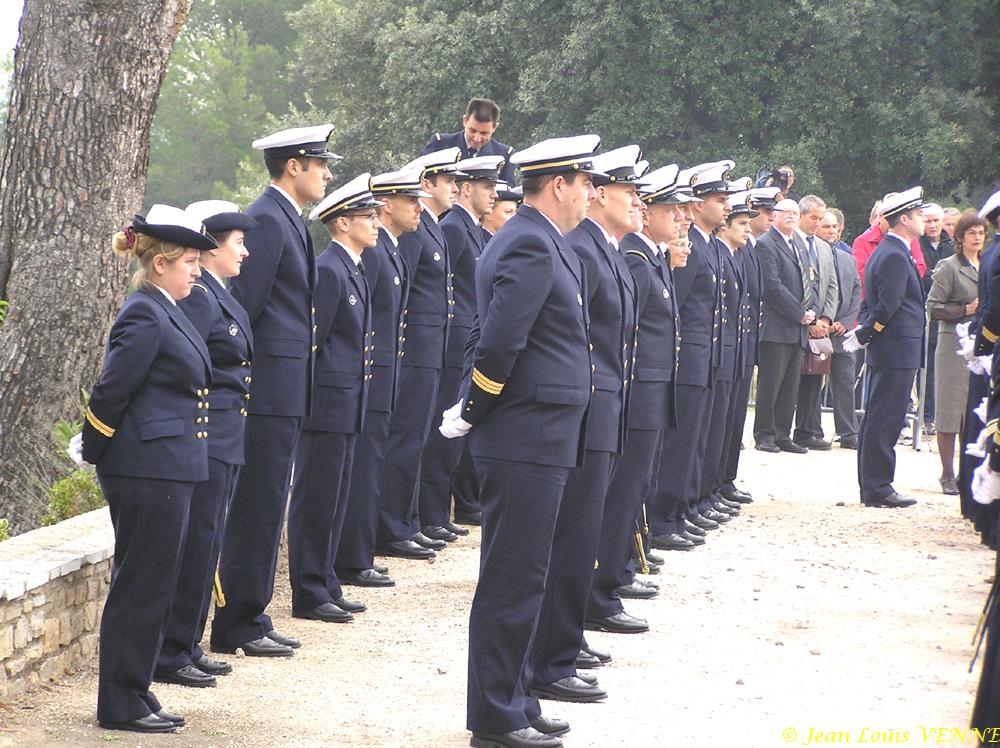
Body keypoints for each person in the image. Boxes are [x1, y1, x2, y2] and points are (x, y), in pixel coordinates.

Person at [439, 134, 601, 748]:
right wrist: (472, 409)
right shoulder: (529, 242)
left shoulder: (542, 240)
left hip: (542, 433)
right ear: (558, 185)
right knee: (512, 578)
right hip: (523, 434)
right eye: (585, 182)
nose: (591, 193)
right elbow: (498, 340)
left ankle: (518, 698)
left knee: (529, 575)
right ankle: (495, 717)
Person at [81, 205, 216, 733]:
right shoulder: (144, 312)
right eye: (190, 262)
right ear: (160, 263)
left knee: (155, 583)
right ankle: (120, 702)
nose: (197, 271)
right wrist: (93, 448)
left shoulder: (167, 308)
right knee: (140, 585)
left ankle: (135, 690)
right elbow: (112, 389)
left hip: (167, 466)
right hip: (145, 469)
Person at [211, 124, 337, 658]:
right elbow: (245, 308)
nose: (327, 174)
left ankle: (252, 613)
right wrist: (244, 383)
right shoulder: (266, 217)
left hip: (285, 389)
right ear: (293, 166)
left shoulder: (287, 218)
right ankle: (237, 621)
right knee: (256, 506)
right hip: (265, 390)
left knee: (267, 505)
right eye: (320, 165)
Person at [528, 145, 641, 712]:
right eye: (627, 192)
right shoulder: (581, 249)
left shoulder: (603, 250)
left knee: (582, 536)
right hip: (586, 410)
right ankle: (554, 656)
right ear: (597, 196)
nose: (636, 201)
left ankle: (564, 645)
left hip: (603, 411)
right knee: (571, 539)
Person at [154, 201, 256, 689]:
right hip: (207, 434)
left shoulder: (219, 294)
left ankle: (187, 643)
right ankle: (172, 648)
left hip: (226, 433)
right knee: (196, 543)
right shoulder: (198, 298)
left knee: (208, 540)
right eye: (238, 242)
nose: (245, 251)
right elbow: (188, 368)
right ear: (212, 247)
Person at [287, 174, 378, 623]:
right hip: (326, 406)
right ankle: (308, 590)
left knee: (336, 498)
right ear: (343, 223)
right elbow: (314, 343)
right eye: (368, 216)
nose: (376, 223)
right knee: (316, 499)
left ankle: (325, 580)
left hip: (347, 404)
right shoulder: (329, 269)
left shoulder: (352, 268)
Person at [334, 168, 420, 588]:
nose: (417, 208)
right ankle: (352, 556)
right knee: (364, 467)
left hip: (385, 372)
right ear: (389, 205)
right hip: (369, 374)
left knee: (372, 463)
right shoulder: (373, 252)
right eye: (410, 200)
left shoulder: (389, 249)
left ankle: (361, 550)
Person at [375, 148, 461, 560]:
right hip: (414, 348)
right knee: (406, 437)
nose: (455, 189)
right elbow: (401, 292)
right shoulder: (415, 229)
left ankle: (407, 520)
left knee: (418, 437)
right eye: (448, 181)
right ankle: (394, 525)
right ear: (427, 183)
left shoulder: (432, 226)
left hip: (431, 348)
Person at [419, 155, 504, 542]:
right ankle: (432, 512)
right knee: (441, 433)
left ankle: (439, 511)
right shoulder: (454, 227)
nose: (494, 194)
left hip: (463, 339)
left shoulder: (470, 228)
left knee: (453, 435)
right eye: (487, 187)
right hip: (452, 340)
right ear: (469, 190)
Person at [845, 187, 929, 508]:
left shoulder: (892, 250)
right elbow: (888, 305)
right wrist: (868, 332)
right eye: (918, 215)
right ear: (903, 219)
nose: (922, 220)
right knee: (886, 418)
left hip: (894, 347)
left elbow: (876, 301)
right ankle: (878, 486)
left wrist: (867, 331)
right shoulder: (893, 253)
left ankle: (874, 485)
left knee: (880, 416)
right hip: (896, 347)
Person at [719, 186, 780, 501]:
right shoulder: (735, 249)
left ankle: (724, 481)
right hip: (729, 344)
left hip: (743, 342)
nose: (768, 218)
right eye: (742, 220)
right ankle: (716, 484)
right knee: (721, 423)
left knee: (733, 420)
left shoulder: (748, 248)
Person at [927, 211, 987, 493]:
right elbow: (934, 307)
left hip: (982, 346)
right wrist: (965, 309)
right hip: (953, 345)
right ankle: (947, 473)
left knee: (973, 410)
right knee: (950, 411)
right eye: (971, 233)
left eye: (981, 233)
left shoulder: (987, 264)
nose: (977, 238)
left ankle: (968, 471)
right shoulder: (949, 267)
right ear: (960, 237)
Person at [753, 199, 812, 453]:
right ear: (774, 216)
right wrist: (799, 313)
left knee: (790, 385)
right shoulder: (767, 243)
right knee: (771, 384)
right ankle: (764, 434)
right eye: (785, 212)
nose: (791, 216)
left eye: (795, 212)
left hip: (798, 328)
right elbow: (772, 285)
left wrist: (811, 311)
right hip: (776, 325)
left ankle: (782, 434)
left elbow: (808, 278)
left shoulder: (797, 243)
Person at [792, 194, 840, 451]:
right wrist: (806, 319)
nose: (817, 223)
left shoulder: (823, 247)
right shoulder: (791, 241)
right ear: (801, 216)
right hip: (795, 322)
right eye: (813, 218)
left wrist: (824, 319)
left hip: (820, 326)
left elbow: (831, 286)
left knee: (814, 377)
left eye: (820, 219)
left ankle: (806, 430)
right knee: (788, 379)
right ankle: (777, 430)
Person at [820, 209, 862, 449]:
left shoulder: (848, 259)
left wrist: (845, 322)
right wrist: (825, 320)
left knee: (845, 381)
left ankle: (848, 433)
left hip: (842, 332)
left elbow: (856, 292)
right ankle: (810, 429)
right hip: (818, 329)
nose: (831, 231)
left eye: (834, 227)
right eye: (826, 226)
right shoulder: (811, 254)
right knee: (812, 383)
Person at [420, 97, 516, 185]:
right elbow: (420, 177)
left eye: (484, 133)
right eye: (472, 131)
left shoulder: (504, 155)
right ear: (465, 121)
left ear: (494, 127)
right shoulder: (440, 144)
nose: (477, 138)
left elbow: (507, 192)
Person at [919, 203, 956, 434]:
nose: (932, 226)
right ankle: (927, 415)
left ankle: (946, 416)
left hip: (950, 314)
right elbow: (921, 277)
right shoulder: (917, 244)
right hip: (926, 314)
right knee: (927, 369)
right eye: (928, 221)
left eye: (936, 221)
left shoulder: (952, 245)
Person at [852, 196, 926, 298]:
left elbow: (920, 267)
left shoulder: (911, 239)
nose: (925, 219)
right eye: (919, 214)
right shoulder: (863, 241)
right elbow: (861, 274)